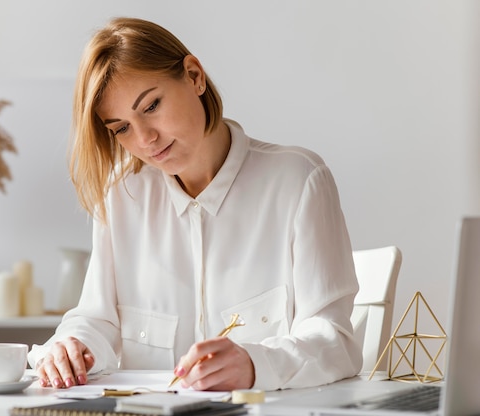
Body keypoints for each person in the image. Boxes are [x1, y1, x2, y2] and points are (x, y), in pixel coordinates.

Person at [28, 16, 362, 392]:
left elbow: (335, 342)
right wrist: (68, 347)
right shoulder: (122, 194)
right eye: (121, 128)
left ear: (194, 76)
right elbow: (96, 320)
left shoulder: (299, 181)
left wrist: (256, 365)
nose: (145, 139)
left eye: (151, 105)